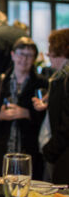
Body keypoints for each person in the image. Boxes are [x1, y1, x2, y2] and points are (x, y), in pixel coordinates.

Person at [0, 37, 47, 179]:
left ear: (34, 58)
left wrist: (27, 113)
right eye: (21, 54)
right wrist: (0, 116)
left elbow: (49, 118)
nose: (24, 59)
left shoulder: (42, 83)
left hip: (31, 153)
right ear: (13, 55)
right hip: (2, 152)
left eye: (29, 55)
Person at [32, 28, 69, 184]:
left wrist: (50, 151)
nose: (48, 55)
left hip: (61, 154)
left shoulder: (65, 78)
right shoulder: (60, 77)